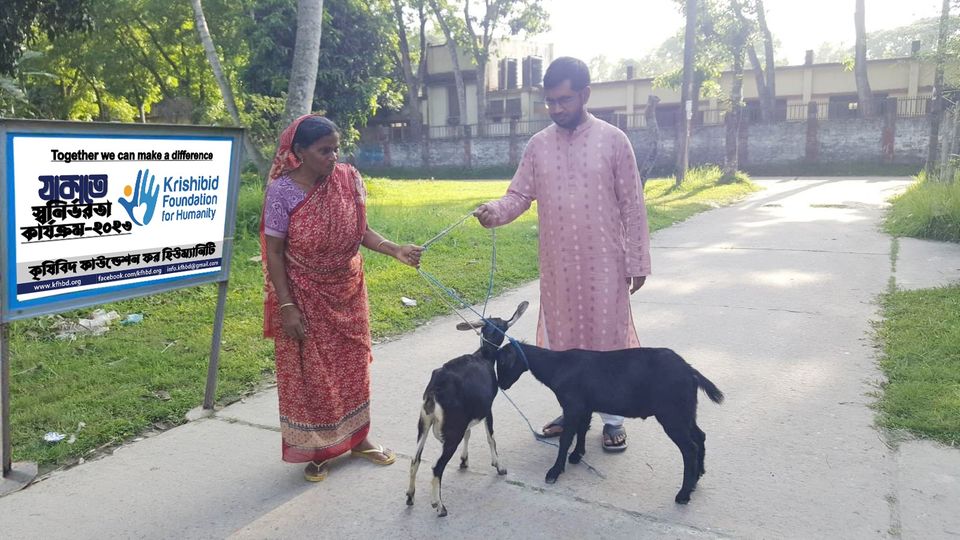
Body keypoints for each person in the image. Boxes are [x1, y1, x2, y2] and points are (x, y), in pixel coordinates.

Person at [474, 57, 651, 452]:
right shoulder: (538, 145)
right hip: (558, 268)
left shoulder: (614, 140)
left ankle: (612, 418)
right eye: (550, 102)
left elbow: (633, 206)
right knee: (564, 346)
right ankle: (574, 410)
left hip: (605, 265)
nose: (556, 109)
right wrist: (493, 212)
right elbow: (518, 195)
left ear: (585, 94)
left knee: (607, 343)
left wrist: (638, 261)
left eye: (564, 100)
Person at [261, 114, 423, 481]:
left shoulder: (347, 179)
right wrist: (286, 306)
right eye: (323, 151)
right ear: (298, 152)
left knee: (353, 370)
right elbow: (273, 252)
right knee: (315, 376)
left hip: (348, 290)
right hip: (303, 294)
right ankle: (319, 448)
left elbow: (360, 229)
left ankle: (358, 439)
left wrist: (395, 249)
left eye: (335, 149)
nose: (333, 157)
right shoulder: (282, 193)